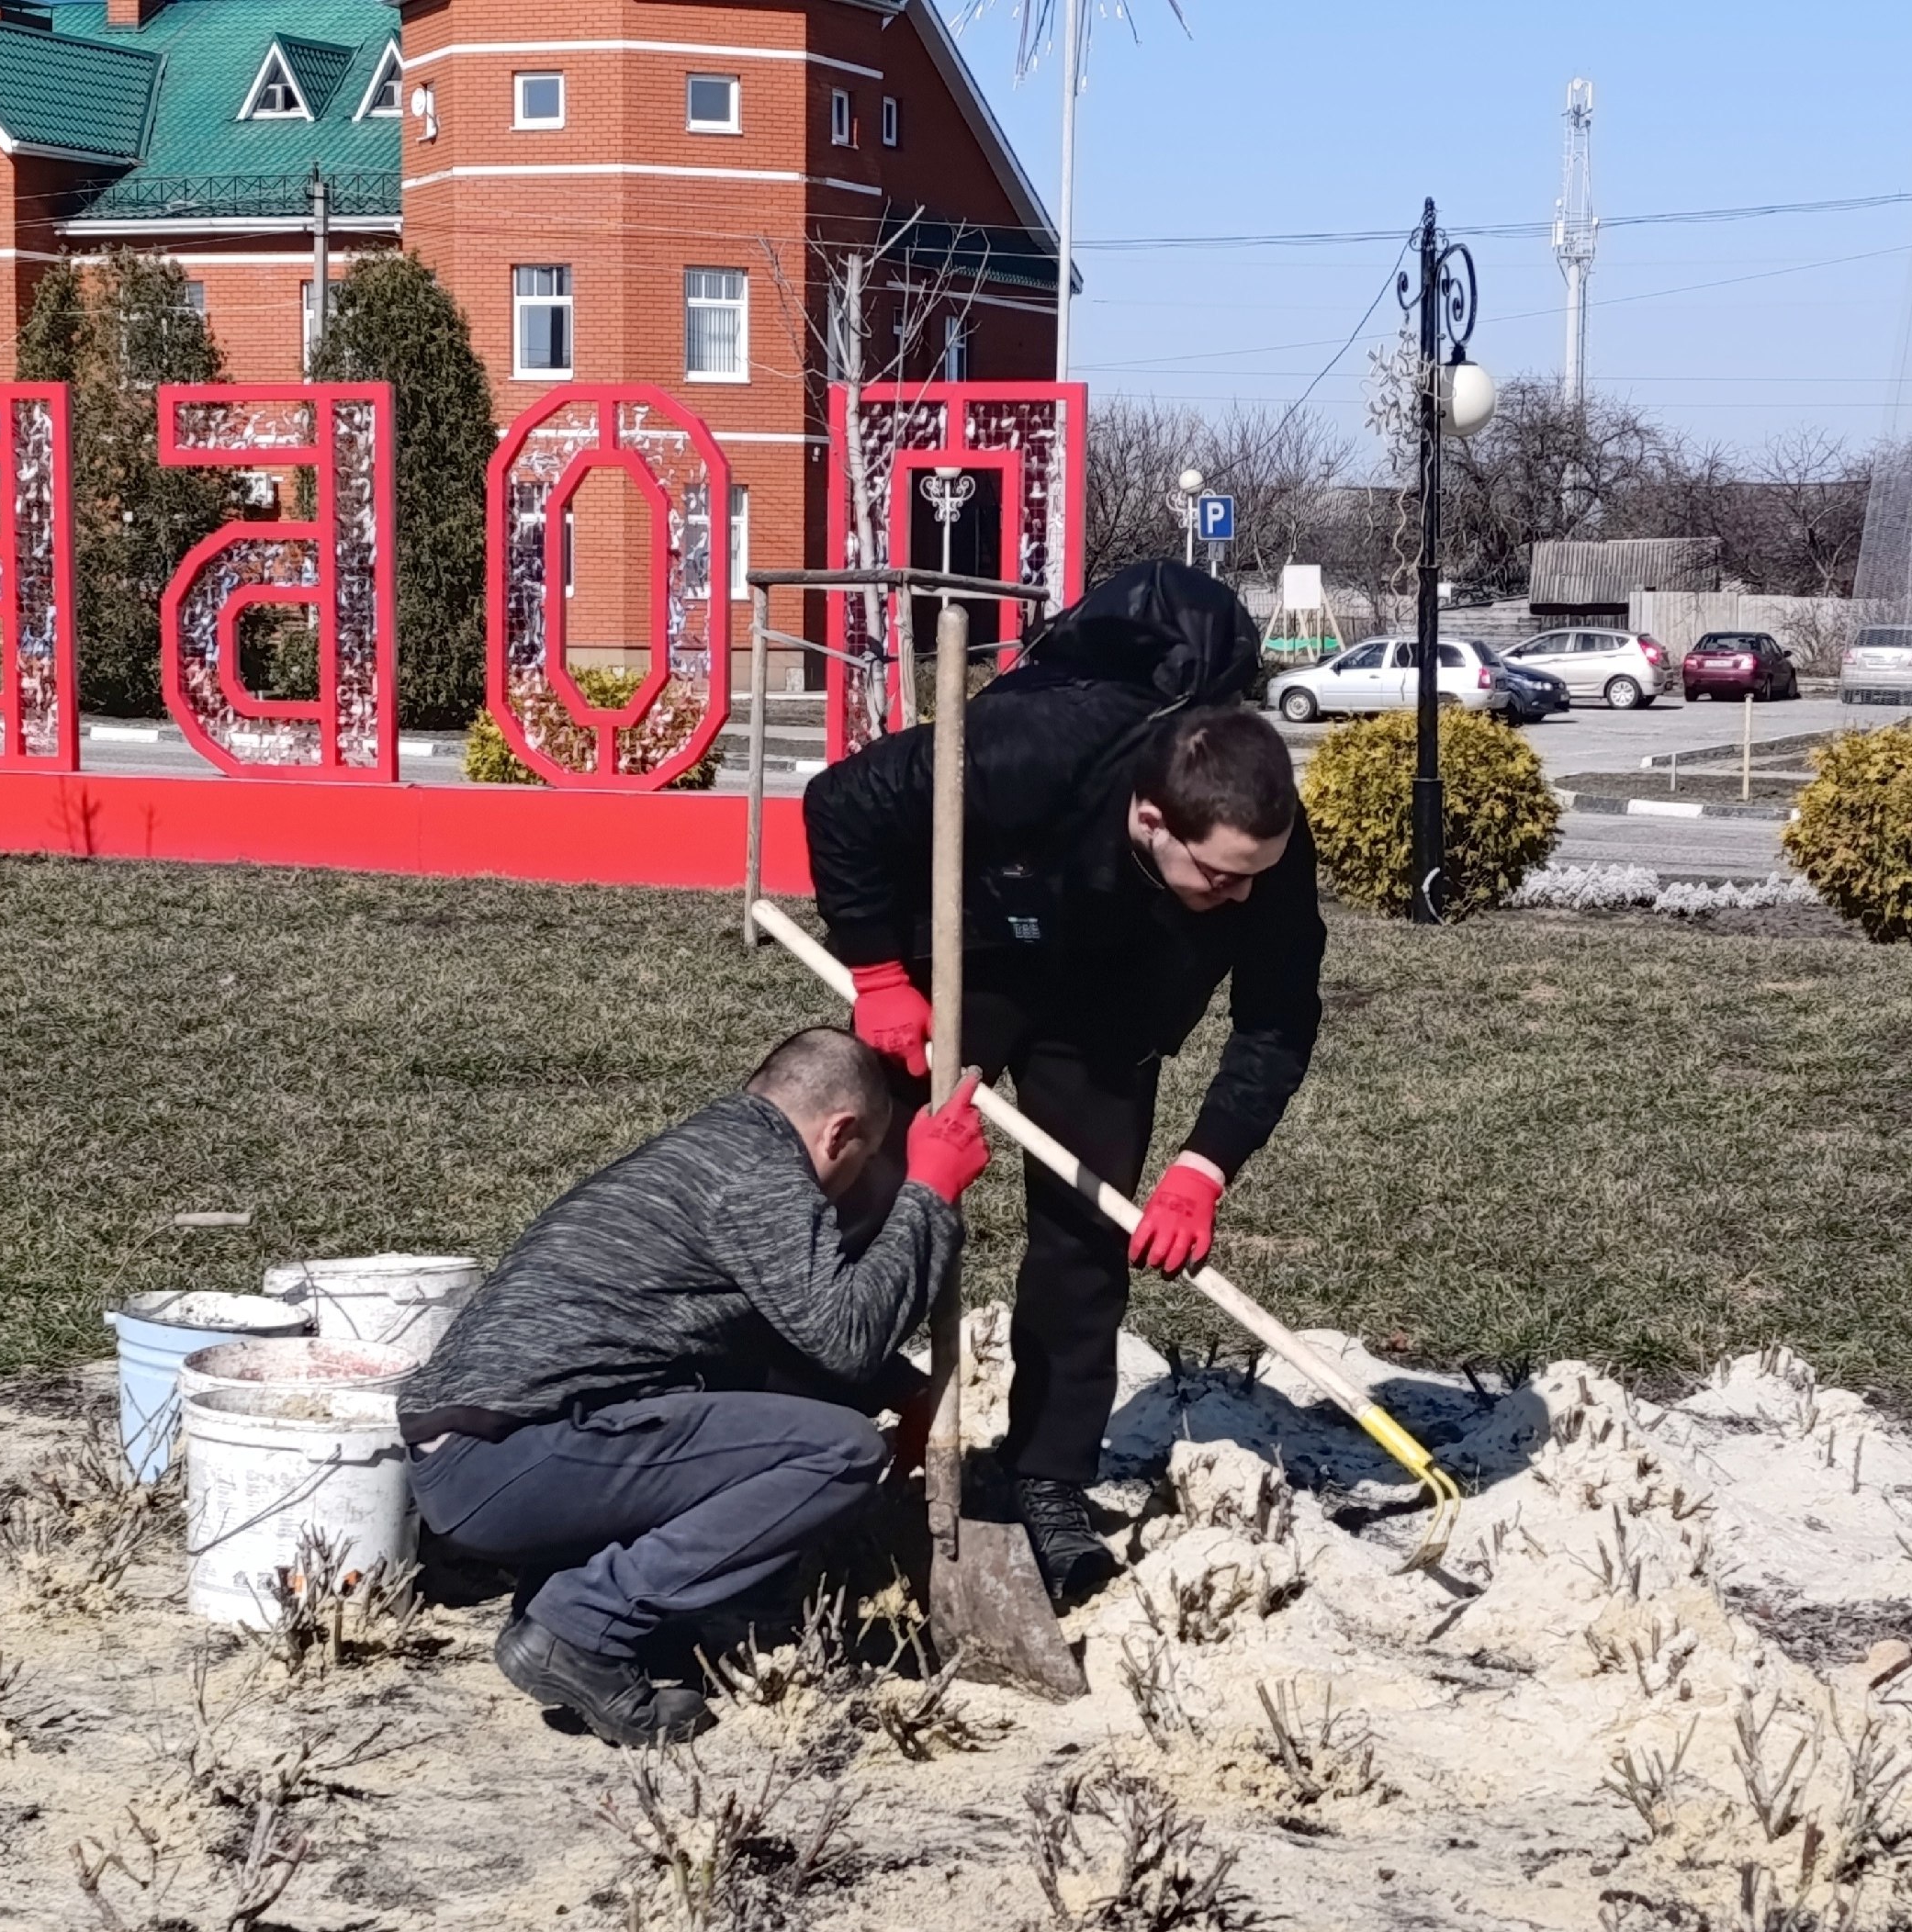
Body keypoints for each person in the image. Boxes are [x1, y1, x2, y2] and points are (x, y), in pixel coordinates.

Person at [803, 560, 1325, 1606]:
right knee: (861, 1182)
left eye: (1253, 877)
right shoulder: (1031, 749)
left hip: (1112, 1017)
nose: (1238, 896)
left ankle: (1045, 1478)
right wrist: (874, 972)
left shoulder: (1263, 851)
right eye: (1217, 876)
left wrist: (1202, 1167)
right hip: (970, 954)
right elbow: (841, 805)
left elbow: (1276, 1016)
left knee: (1085, 1245)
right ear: (1150, 818)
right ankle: (810, 1416)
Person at [398, 1028, 990, 1747]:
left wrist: (907, 1387)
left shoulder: (708, 1149)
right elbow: (846, 1334)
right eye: (862, 1160)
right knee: (838, 1450)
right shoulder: (761, 1173)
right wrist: (928, 1194)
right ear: (842, 1131)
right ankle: (582, 1621)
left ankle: (563, 1601)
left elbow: (768, 1342)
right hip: (510, 1457)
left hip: (477, 1453)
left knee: (758, 1401)